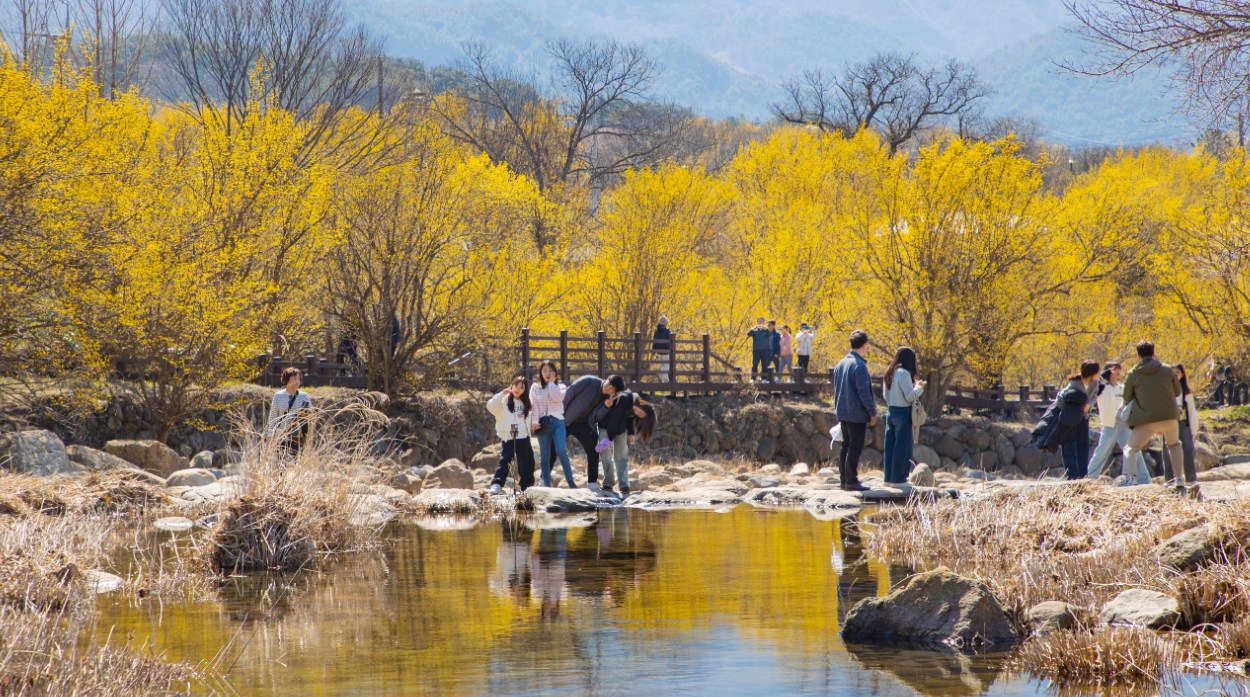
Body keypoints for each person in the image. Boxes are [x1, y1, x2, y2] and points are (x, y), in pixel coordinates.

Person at [1122, 341, 1184, 486]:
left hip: (1145, 419)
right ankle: (1180, 479)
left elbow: (1126, 397)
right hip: (1170, 416)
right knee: (1174, 445)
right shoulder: (1168, 370)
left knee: (1131, 449)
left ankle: (1130, 479)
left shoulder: (1133, 374)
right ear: (1154, 353)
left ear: (1138, 355)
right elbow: (1178, 391)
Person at [556, 374, 623, 489]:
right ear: (606, 379)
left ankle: (592, 482)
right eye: (609, 384)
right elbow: (568, 395)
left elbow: (595, 418)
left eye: (612, 389)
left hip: (583, 424)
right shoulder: (589, 381)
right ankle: (544, 478)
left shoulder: (607, 399)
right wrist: (559, 415)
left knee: (593, 449)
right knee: (553, 446)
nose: (608, 389)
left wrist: (606, 407)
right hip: (566, 420)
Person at [833, 330, 876, 492]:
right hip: (856, 413)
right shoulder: (859, 365)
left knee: (846, 446)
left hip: (842, 412)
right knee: (855, 447)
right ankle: (851, 481)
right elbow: (863, 392)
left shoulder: (841, 363)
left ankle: (844, 480)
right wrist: (871, 411)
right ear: (864, 346)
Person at [591, 390, 657, 497]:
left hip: (621, 430)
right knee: (606, 455)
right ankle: (608, 483)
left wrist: (631, 432)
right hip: (605, 427)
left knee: (622, 456)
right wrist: (610, 439)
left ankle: (624, 485)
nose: (637, 413)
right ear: (643, 405)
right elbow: (614, 417)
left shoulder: (635, 403)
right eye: (639, 412)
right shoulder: (624, 398)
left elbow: (629, 418)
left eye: (639, 415)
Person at [882, 347, 925, 485]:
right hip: (903, 412)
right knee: (903, 447)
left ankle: (888, 479)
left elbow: (885, 395)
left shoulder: (890, 371)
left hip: (891, 411)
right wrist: (919, 387)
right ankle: (899, 480)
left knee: (890, 447)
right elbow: (910, 397)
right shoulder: (904, 373)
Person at [531, 360, 576, 488]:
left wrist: (551, 384)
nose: (547, 373)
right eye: (544, 371)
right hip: (542, 423)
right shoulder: (535, 387)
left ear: (555, 373)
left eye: (550, 371)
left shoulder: (561, 387)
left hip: (558, 423)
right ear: (540, 373)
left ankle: (571, 482)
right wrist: (534, 422)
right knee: (544, 455)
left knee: (561, 450)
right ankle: (546, 484)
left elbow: (557, 398)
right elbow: (534, 406)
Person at [488, 376, 536, 494]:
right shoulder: (504, 401)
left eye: (521, 388)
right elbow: (490, 406)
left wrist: (535, 423)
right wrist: (501, 394)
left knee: (528, 463)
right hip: (509, 437)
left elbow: (533, 416)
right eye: (516, 386)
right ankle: (497, 484)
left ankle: (526, 488)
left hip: (524, 437)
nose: (517, 389)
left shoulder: (527, 402)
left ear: (525, 390)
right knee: (505, 461)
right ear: (511, 386)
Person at [1087, 362, 1130, 480]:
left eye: (1119, 369)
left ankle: (1143, 479)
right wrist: (1102, 375)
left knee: (1133, 451)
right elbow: (1091, 387)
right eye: (1114, 369)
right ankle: (1090, 478)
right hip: (1109, 425)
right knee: (1101, 452)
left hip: (1124, 425)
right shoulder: (1102, 387)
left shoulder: (1122, 387)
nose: (1117, 372)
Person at [1160, 363, 1200, 486]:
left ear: (1182, 374)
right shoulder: (1164, 390)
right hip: (1168, 423)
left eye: (1177, 372)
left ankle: (1190, 478)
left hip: (1183, 424)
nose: (1175, 375)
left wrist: (1193, 429)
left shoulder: (1186, 391)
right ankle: (1170, 479)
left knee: (1188, 449)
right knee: (1168, 451)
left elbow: (1191, 411)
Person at [1060, 361, 1099, 480]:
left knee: (1083, 446)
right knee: (1069, 446)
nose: (1100, 373)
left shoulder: (1095, 383)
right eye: (1098, 371)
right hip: (1070, 418)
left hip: (1083, 418)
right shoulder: (1074, 384)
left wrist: (1089, 405)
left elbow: (1094, 396)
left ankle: (1082, 476)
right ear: (1092, 373)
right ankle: (1072, 477)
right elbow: (1060, 399)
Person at [267, 367, 313, 454]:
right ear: (287, 379)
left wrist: (305, 414)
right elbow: (273, 416)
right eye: (294, 378)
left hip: (297, 436)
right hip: (281, 434)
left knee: (295, 461)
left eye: (299, 378)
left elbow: (312, 413)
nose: (297, 381)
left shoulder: (304, 396)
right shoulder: (278, 395)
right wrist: (270, 434)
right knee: (281, 461)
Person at [653, 316, 672, 383]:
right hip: (665, 351)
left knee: (662, 365)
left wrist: (654, 350)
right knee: (666, 365)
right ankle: (660, 374)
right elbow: (670, 342)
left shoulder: (657, 331)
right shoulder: (667, 331)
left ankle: (666, 380)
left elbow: (654, 341)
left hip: (659, 352)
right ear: (665, 323)